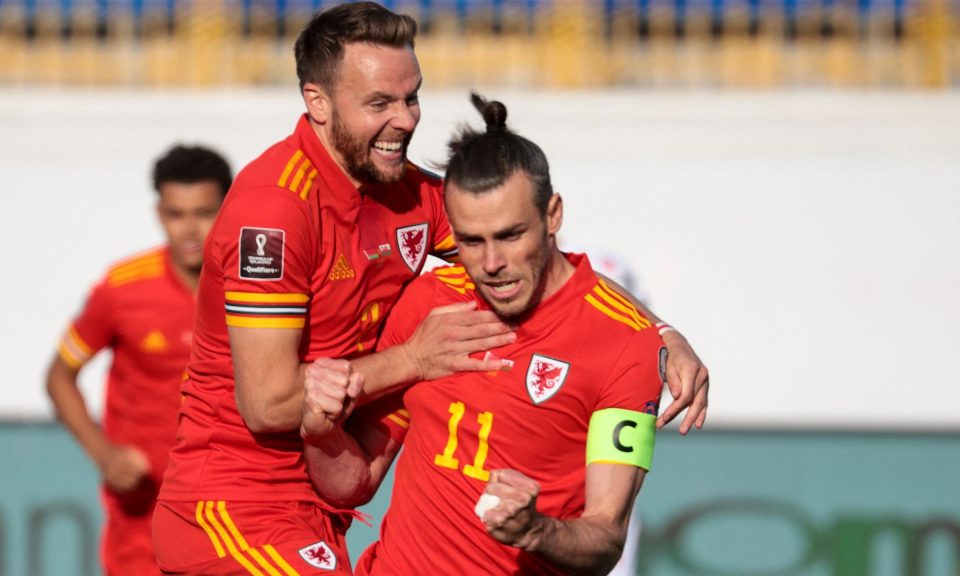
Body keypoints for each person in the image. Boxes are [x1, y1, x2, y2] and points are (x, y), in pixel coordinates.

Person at [153, 3, 708, 575]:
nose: (404, 120)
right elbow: (268, 405)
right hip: (233, 503)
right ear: (317, 102)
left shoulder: (409, 194)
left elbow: (544, 262)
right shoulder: (275, 211)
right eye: (379, 104)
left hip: (316, 510)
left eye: (411, 97)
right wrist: (413, 360)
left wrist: (660, 332)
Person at [301, 95, 666, 575]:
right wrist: (320, 430)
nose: (491, 263)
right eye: (471, 241)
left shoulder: (628, 346)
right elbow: (355, 481)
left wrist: (535, 529)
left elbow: (606, 537)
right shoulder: (429, 302)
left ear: (553, 215)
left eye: (510, 236)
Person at [45, 144, 232, 576]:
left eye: (204, 213)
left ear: (229, 209)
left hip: (231, 505)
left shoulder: (260, 286)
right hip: (145, 511)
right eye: (176, 214)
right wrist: (103, 454)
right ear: (159, 213)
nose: (190, 229)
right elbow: (59, 376)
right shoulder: (122, 289)